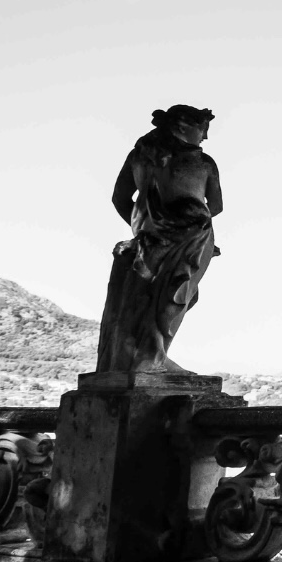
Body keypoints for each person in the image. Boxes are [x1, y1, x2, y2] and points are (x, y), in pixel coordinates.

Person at [96, 105, 221, 375]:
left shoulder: (139, 157)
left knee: (150, 297)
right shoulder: (203, 163)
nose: (205, 137)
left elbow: (120, 198)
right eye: (203, 129)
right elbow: (217, 205)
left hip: (150, 238)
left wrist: (145, 226)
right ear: (183, 126)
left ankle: (147, 357)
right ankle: (151, 359)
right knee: (177, 295)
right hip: (192, 237)